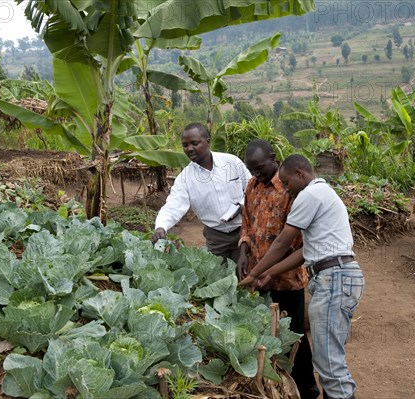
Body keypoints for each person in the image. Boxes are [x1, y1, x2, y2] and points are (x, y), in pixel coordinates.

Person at [239, 154, 364, 399]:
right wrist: (267, 273)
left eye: (286, 183)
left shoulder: (310, 195)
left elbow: (283, 240)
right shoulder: (323, 194)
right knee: (328, 355)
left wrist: (253, 274)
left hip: (334, 278)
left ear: (299, 174)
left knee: (329, 359)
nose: (285, 189)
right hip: (337, 275)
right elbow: (304, 253)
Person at [238, 139, 320, 399]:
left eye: (260, 168)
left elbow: (291, 241)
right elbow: (247, 224)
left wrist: (265, 269)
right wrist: (243, 251)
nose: (256, 174)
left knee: (293, 335)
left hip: (287, 279)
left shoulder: (290, 189)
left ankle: (307, 389)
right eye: (251, 169)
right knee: (266, 334)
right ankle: (276, 387)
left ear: (273, 158)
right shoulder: (251, 186)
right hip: (259, 278)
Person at [152, 122, 251, 263]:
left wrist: (241, 205)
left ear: (208, 142)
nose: (190, 149)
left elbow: (252, 189)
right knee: (219, 276)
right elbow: (173, 205)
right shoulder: (185, 178)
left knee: (246, 273)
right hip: (216, 237)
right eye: (185, 145)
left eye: (194, 143)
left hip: (244, 230)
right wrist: (161, 227)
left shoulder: (231, 162)